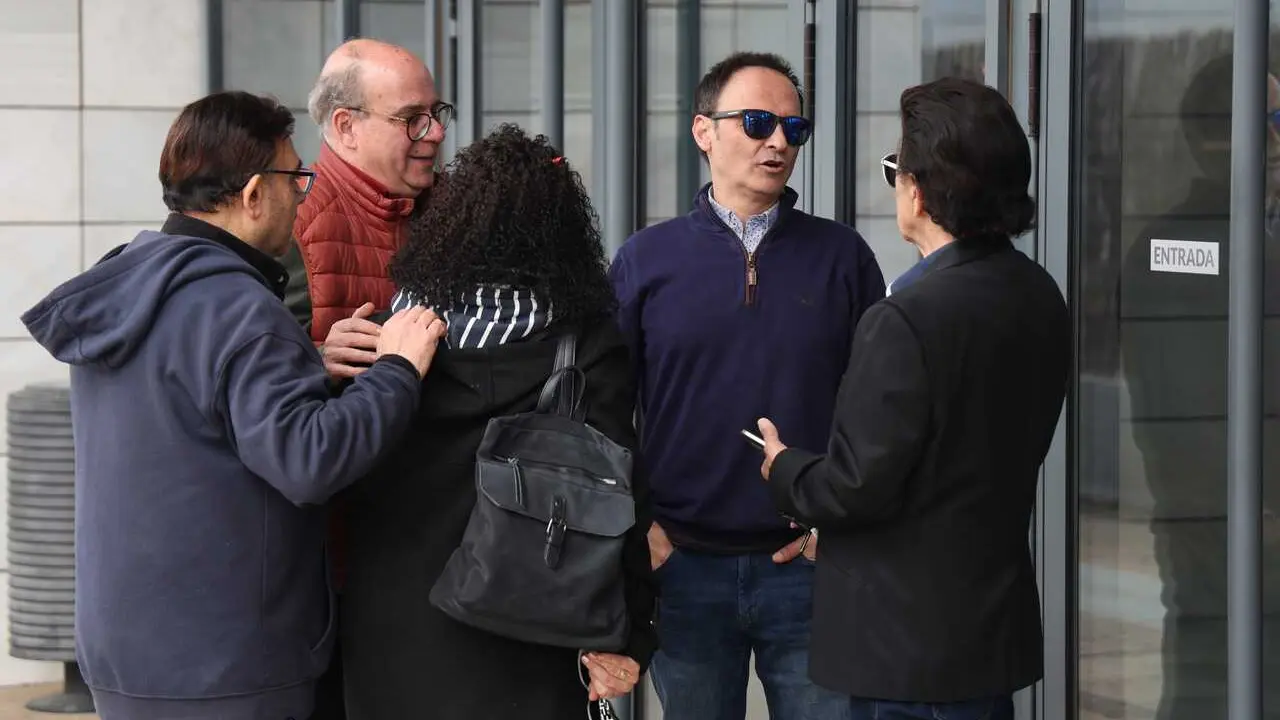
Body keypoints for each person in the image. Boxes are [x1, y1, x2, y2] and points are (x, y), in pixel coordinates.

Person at [19, 91, 447, 720]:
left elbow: (196, 408)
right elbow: (312, 462)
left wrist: (307, 363)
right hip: (230, 666)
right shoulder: (239, 308)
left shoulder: (131, 287)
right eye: (295, 177)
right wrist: (398, 368)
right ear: (252, 195)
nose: (301, 194)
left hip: (128, 657)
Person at [756, 77, 1070, 720]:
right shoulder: (1038, 292)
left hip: (903, 649)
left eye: (894, 169)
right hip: (988, 631)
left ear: (920, 190)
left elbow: (854, 485)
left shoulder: (906, 317)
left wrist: (784, 468)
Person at [338, 124, 658, 720]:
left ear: (451, 224)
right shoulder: (586, 348)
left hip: (392, 630)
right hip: (530, 626)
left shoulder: (388, 341)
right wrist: (631, 634)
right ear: (562, 233)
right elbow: (619, 497)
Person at [609, 51, 884, 720]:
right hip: (681, 568)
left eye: (794, 128)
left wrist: (838, 527)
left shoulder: (843, 256)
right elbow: (605, 407)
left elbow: (877, 408)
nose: (778, 143)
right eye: (758, 123)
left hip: (808, 569)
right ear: (703, 131)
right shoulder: (646, 260)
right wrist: (641, 526)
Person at [282, 39, 452, 715]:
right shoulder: (292, 226)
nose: (434, 133)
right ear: (345, 126)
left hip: (441, 553)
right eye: (412, 118)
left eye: (438, 113)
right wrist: (314, 358)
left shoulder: (451, 213)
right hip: (334, 572)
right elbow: (242, 393)